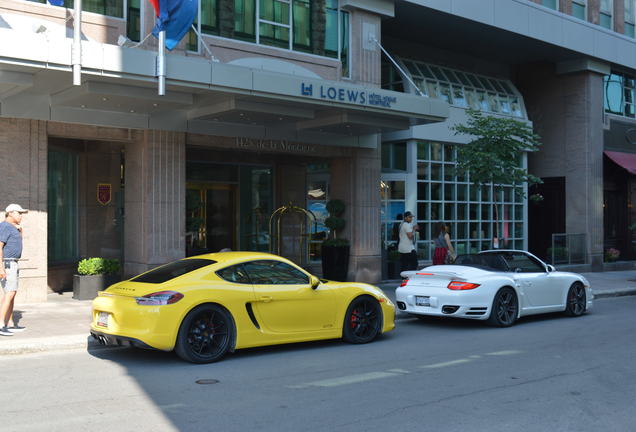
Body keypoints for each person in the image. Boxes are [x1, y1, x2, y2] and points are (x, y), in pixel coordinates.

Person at [0, 203, 28, 336]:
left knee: (12, 293)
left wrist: (20, 230)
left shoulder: (12, 227)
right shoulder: (5, 226)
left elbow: (18, 243)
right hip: (7, 264)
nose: (21, 216)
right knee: (9, 293)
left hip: (13, 263)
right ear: (10, 213)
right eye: (19, 213)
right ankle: (0, 324)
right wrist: (1, 268)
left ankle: (10, 323)